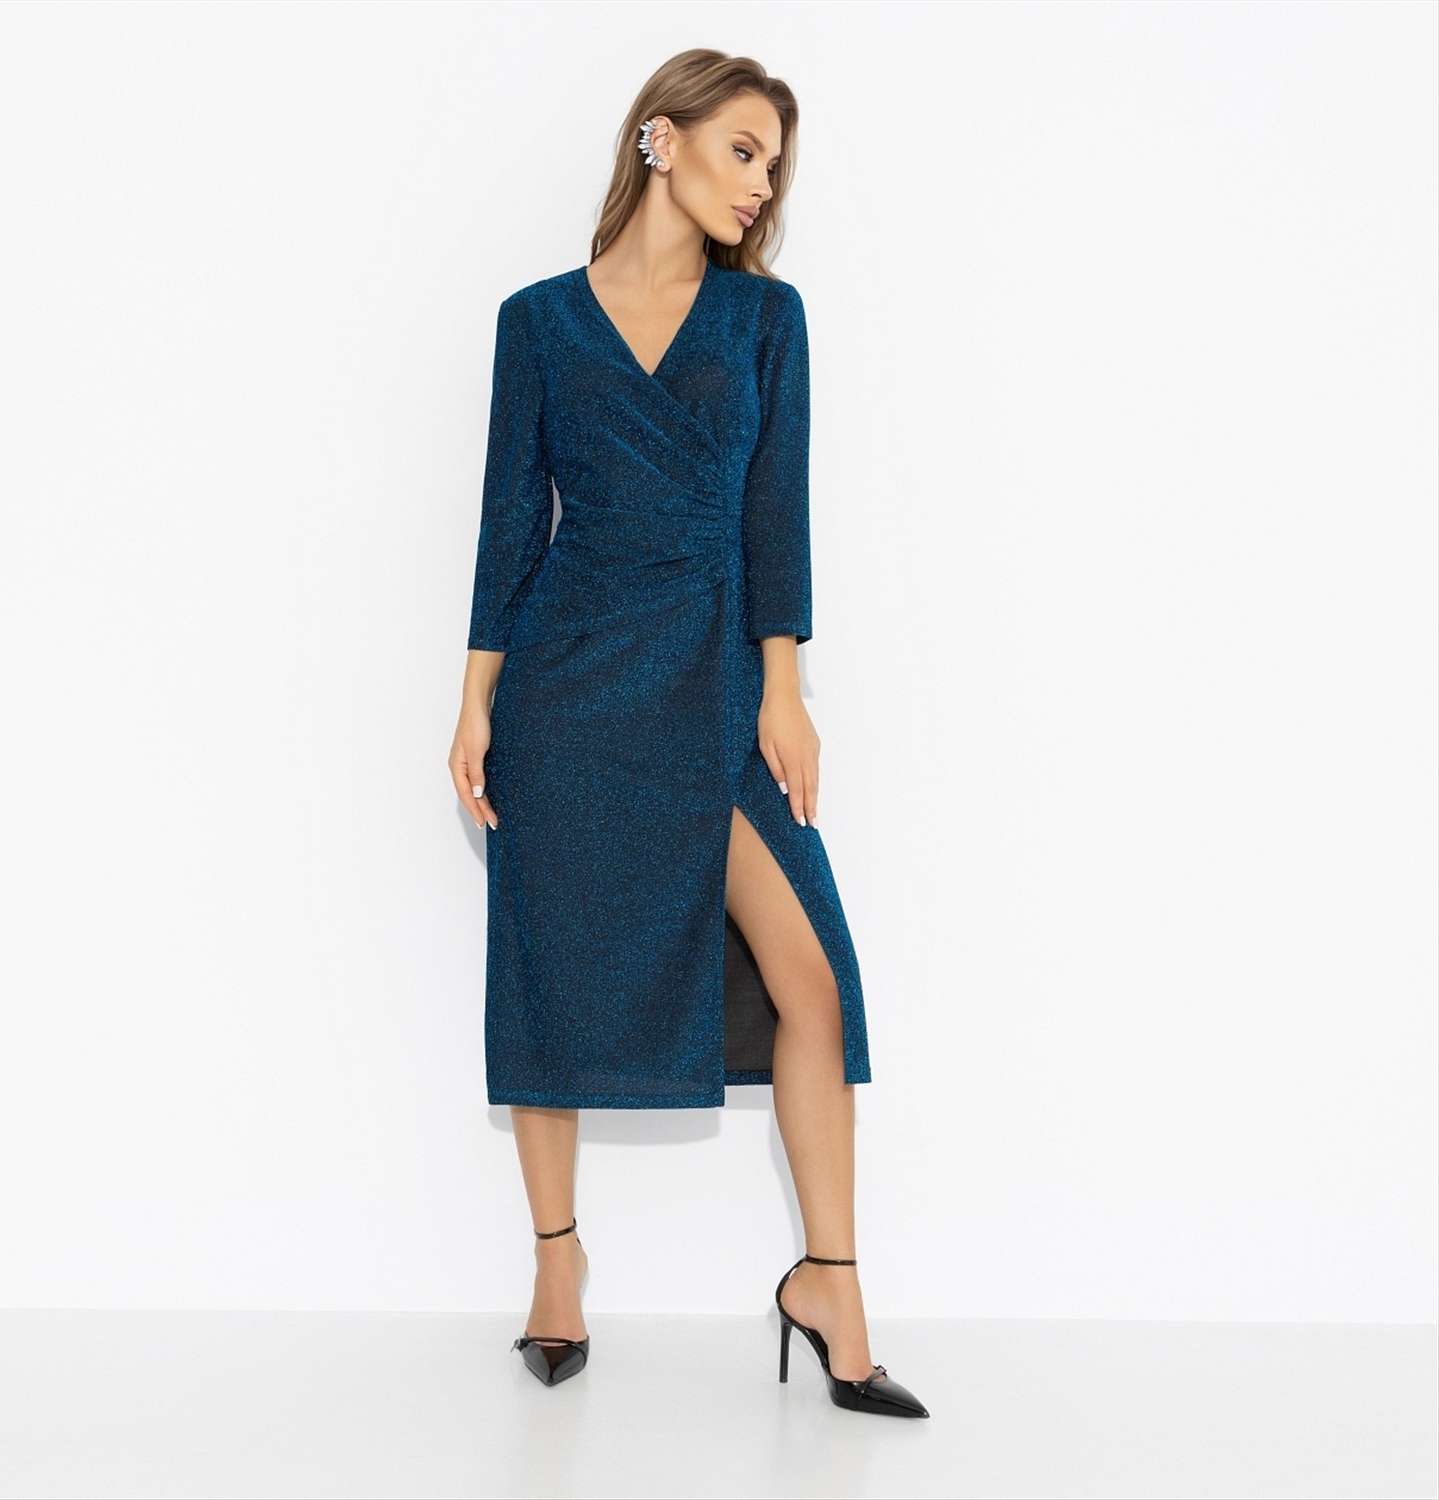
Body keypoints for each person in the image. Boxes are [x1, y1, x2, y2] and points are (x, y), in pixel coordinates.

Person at [448, 48, 927, 1419]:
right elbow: (507, 520)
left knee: (813, 982)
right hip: (565, 685)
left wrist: (783, 685)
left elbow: (779, 509)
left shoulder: (766, 318)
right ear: (661, 140)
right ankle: (557, 1261)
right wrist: (475, 696)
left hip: (714, 674)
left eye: (775, 165)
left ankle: (829, 1281)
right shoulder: (539, 322)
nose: (761, 184)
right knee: (549, 961)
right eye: (743, 150)